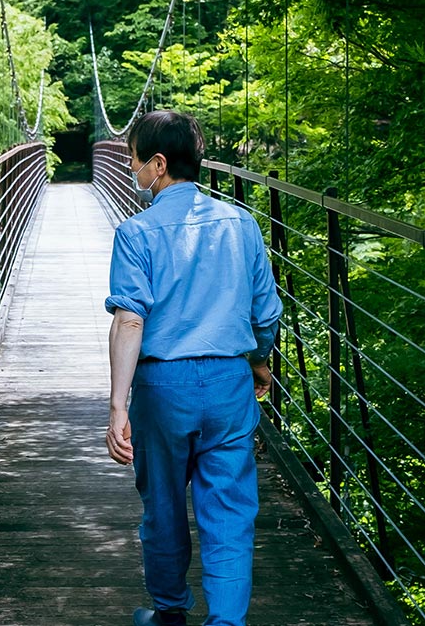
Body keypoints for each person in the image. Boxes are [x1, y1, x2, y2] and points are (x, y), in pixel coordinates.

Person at [104, 110, 283, 626]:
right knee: (229, 516)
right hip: (229, 383)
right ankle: (226, 623)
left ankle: (169, 614)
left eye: (135, 161)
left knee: (162, 508)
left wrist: (118, 406)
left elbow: (130, 322)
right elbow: (265, 311)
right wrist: (258, 360)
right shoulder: (241, 223)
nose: (132, 171)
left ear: (158, 165)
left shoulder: (136, 232)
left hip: (163, 389)